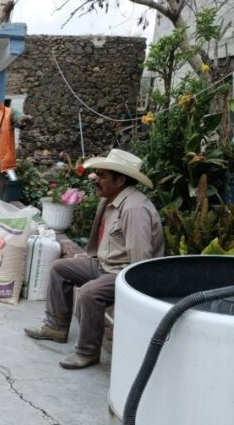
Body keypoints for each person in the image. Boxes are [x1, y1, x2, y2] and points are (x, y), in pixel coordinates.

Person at [24, 149, 164, 369]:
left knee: (90, 293)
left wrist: (134, 297)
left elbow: (140, 262)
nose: (96, 179)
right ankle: (55, 327)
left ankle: (87, 352)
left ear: (120, 180)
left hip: (124, 273)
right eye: (97, 174)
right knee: (60, 268)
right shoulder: (110, 199)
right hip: (105, 265)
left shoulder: (134, 209)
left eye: (102, 175)